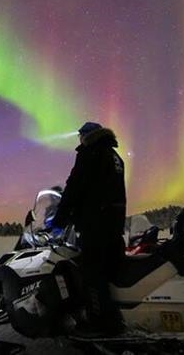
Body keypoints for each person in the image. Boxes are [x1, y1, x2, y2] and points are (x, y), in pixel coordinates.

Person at [52, 121, 126, 336]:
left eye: (81, 135)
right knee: (109, 273)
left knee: (92, 273)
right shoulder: (114, 156)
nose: (79, 139)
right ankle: (116, 317)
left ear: (87, 135)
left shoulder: (90, 153)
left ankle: (102, 323)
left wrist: (59, 221)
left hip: (95, 225)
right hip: (113, 225)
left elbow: (75, 187)